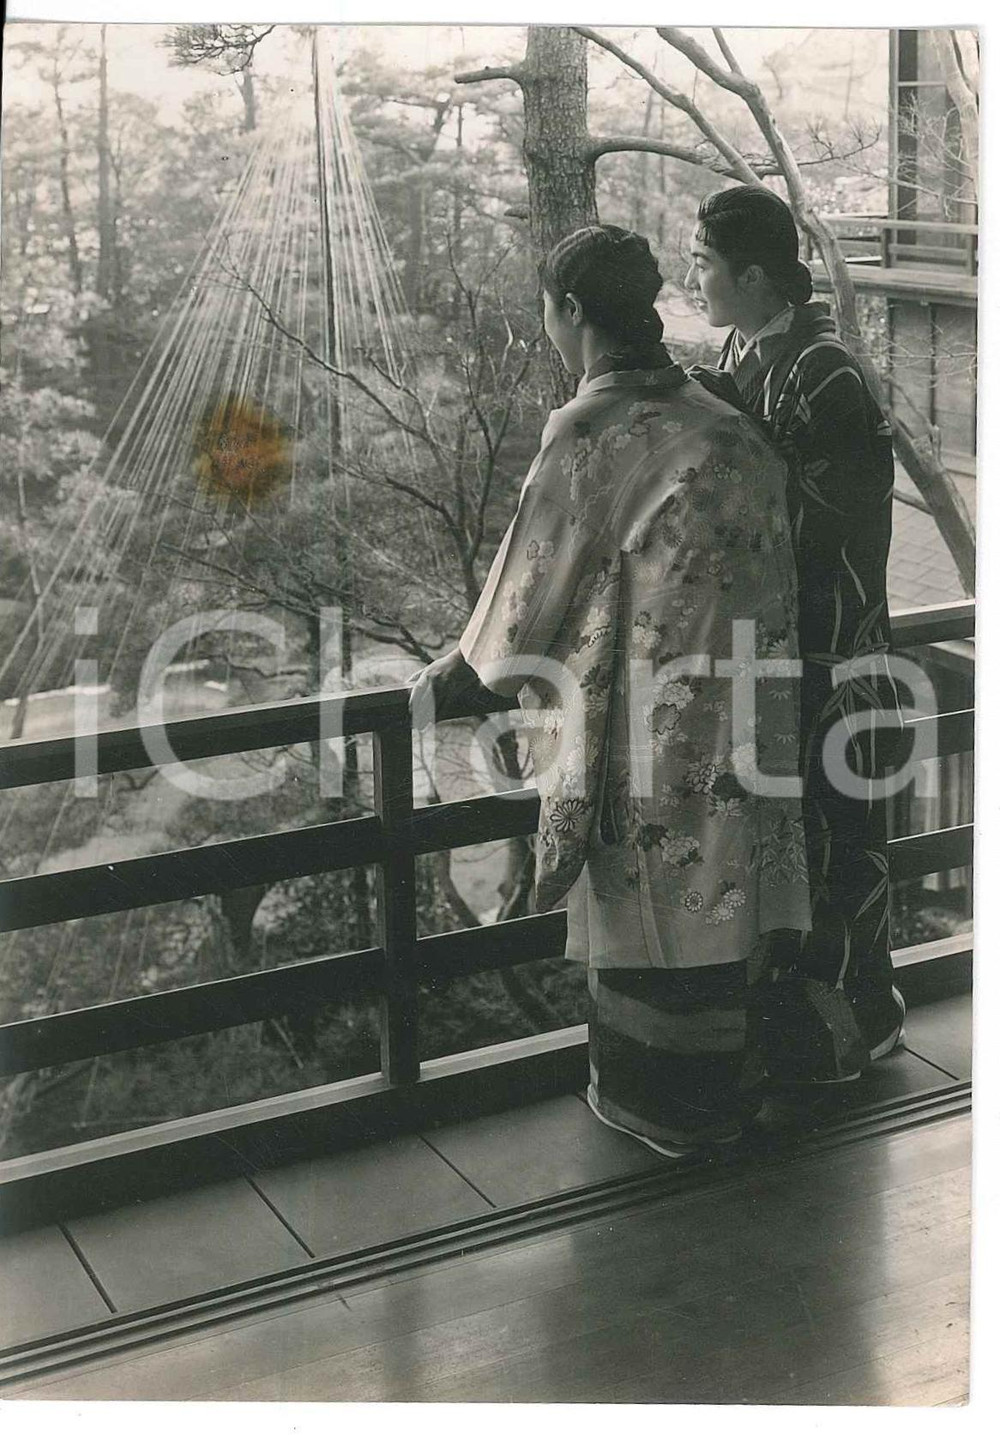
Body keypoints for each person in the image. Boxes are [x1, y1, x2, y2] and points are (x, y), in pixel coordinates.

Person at [410, 224, 812, 1156]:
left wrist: (462, 672)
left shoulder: (593, 431)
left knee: (657, 899)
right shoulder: (722, 419)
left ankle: (663, 1111)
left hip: (656, 725)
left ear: (573, 310)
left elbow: (524, 602)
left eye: (548, 311)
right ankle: (726, 1096)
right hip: (755, 709)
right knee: (727, 897)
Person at [686, 184, 907, 1084]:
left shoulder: (827, 371)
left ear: (754, 274)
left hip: (837, 655)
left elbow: (830, 525)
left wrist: (730, 430)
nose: (694, 277)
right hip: (773, 657)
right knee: (785, 858)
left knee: (840, 851)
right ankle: (803, 1038)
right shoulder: (744, 352)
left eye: (703, 262)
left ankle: (862, 1026)